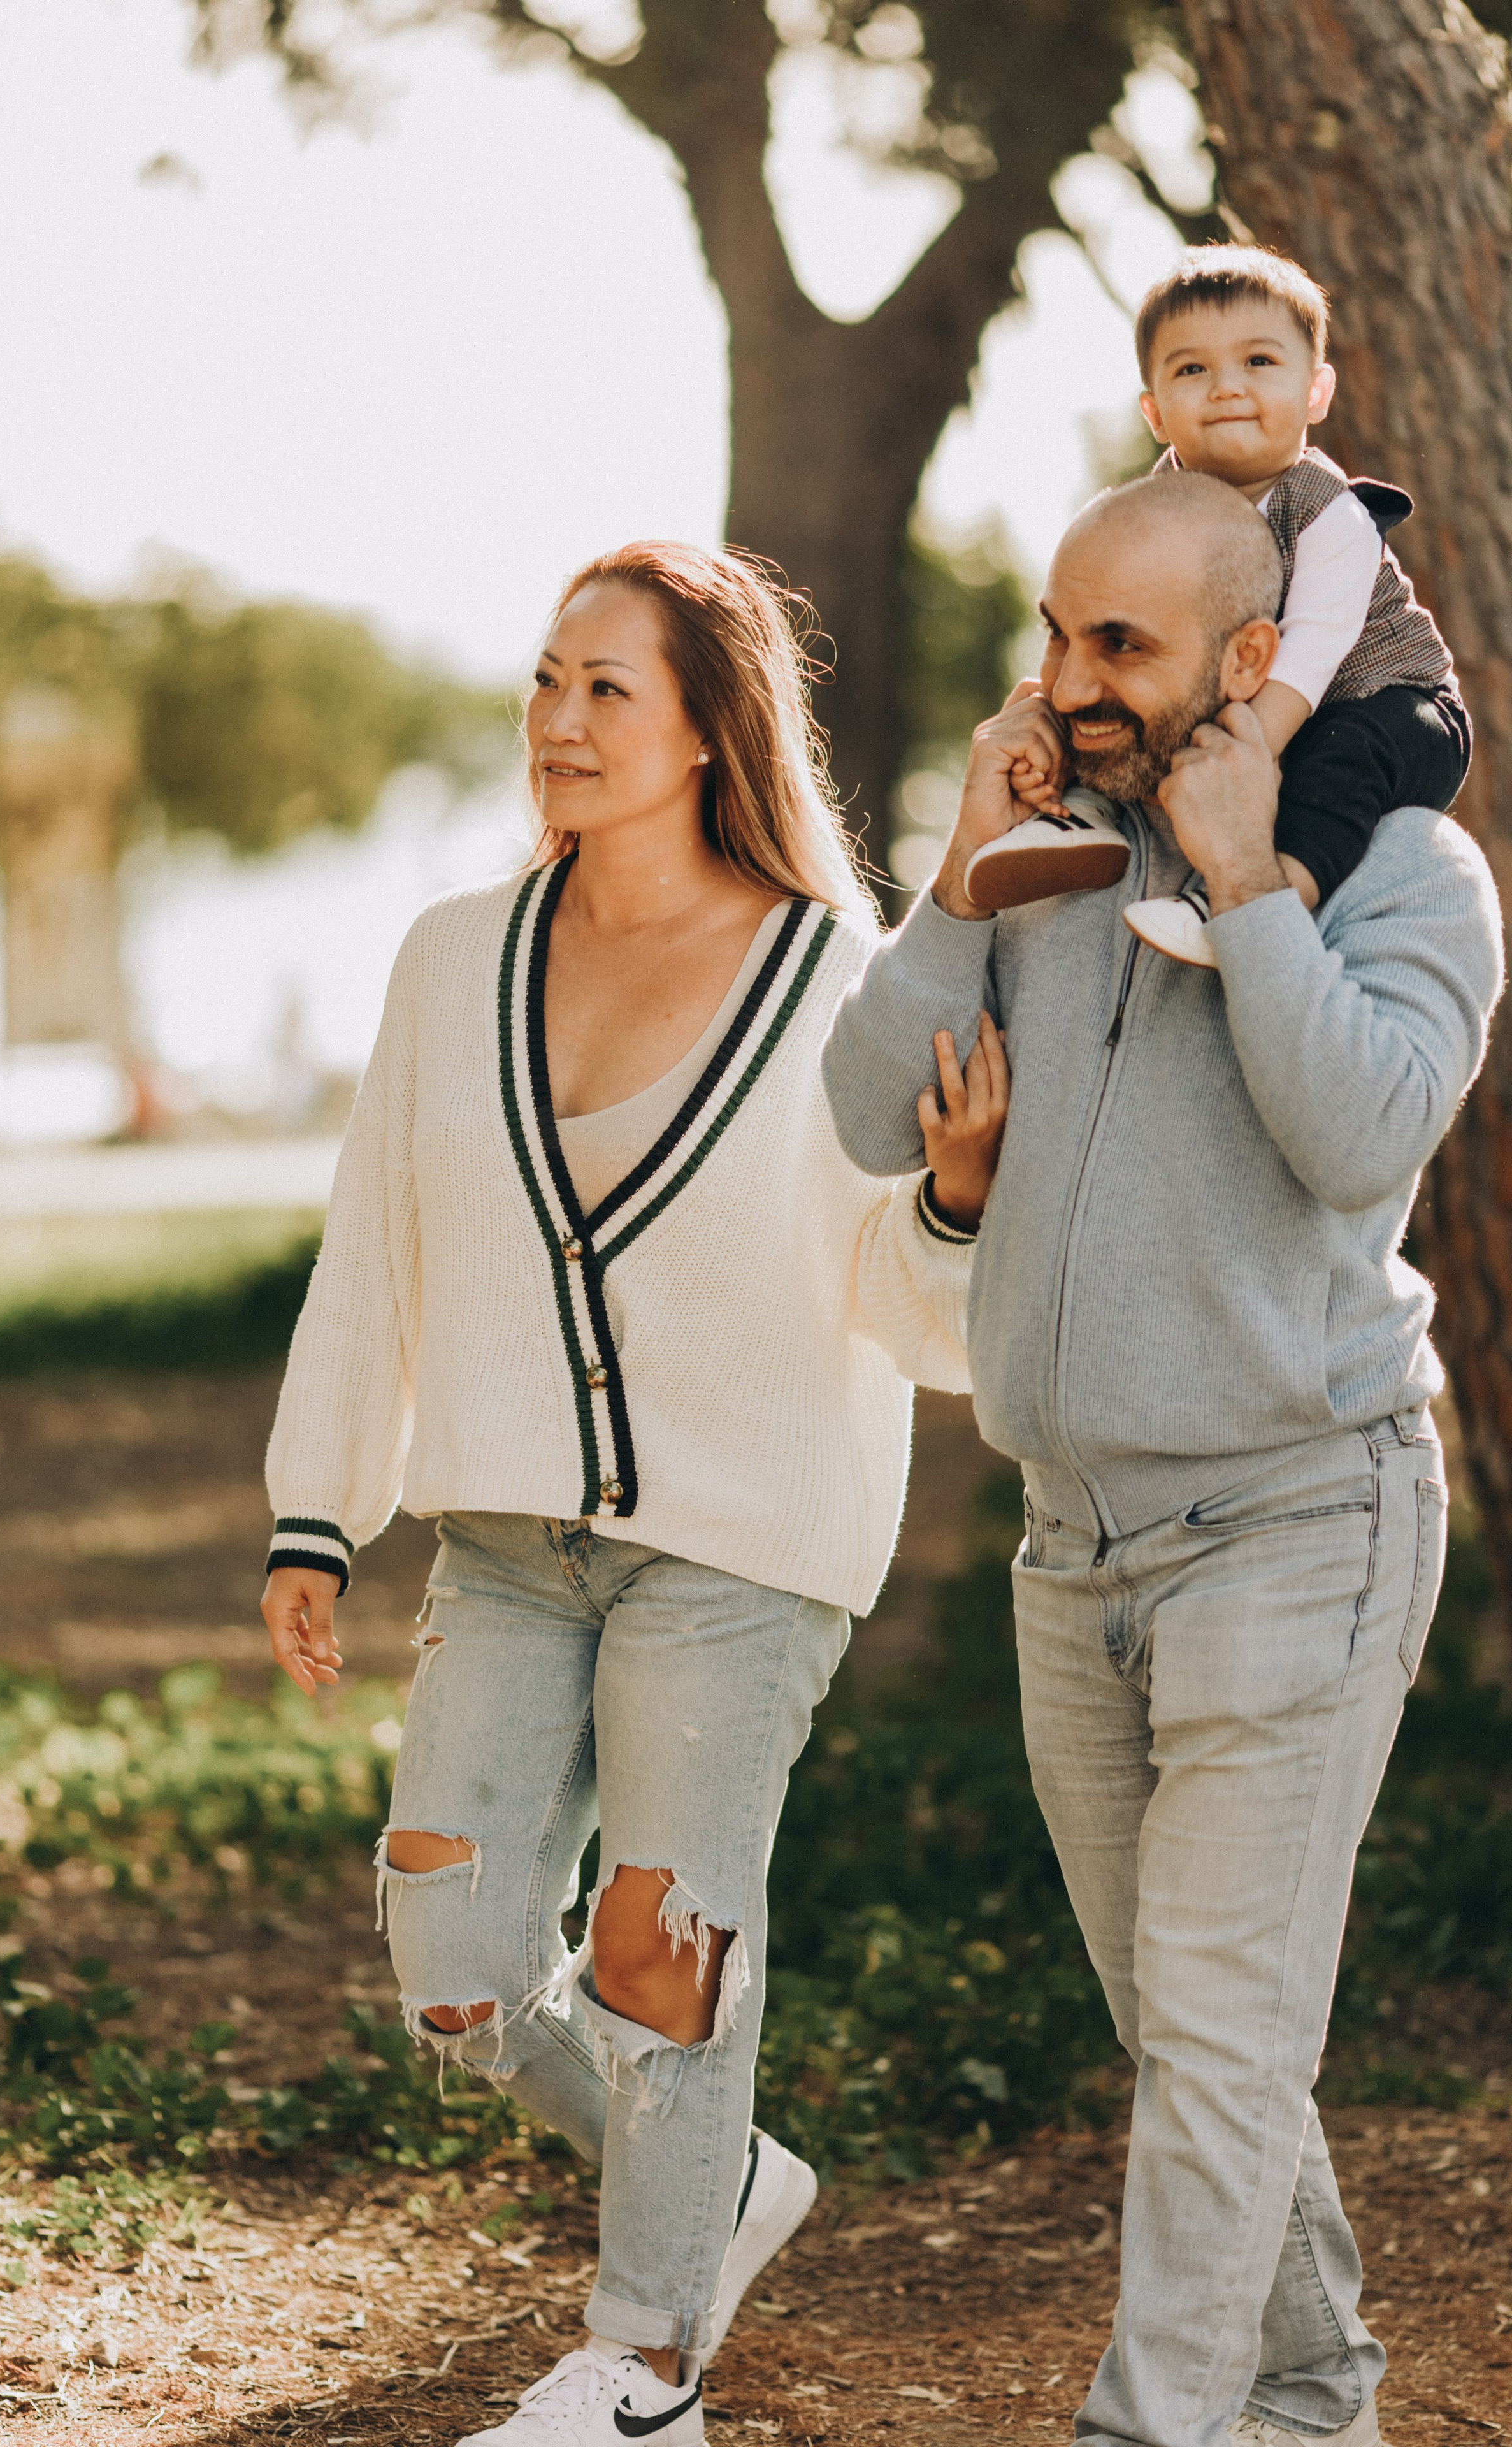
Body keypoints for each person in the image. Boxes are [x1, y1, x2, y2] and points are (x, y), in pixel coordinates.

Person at [258, 540, 1007, 2447]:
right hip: (504, 1541)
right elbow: (377, 1241)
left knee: (670, 1949)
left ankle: (644, 2355)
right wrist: (314, 1507)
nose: (560, 722)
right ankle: (723, 2169)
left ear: (703, 725)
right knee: (453, 1968)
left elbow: (914, 1317)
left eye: (607, 687)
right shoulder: (454, 956)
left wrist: (958, 1195)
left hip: (741, 1544)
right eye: (543, 680)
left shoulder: (828, 976)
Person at [821, 471, 1502, 2447]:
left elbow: (1364, 1132)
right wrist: (957, 872)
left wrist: (1249, 885)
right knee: (1192, 2043)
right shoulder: (1039, 859)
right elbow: (872, 1115)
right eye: (1052, 630)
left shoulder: (1406, 876)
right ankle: (1308, 2406)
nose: (1068, 680)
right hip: (1070, 1545)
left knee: (1212, 2044)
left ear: (1253, 657)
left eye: (1116, 642)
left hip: (1300, 1515)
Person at [970, 245, 1470, 971]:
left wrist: (1233, 767)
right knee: (1095, 691)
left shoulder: (1330, 515)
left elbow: (1308, 658)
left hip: (1381, 701)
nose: (1226, 388)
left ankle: (1253, 894)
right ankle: (1076, 818)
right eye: (1191, 369)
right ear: (1154, 412)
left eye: (1259, 363)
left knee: (1340, 763)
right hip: (1241, 700)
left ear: (1315, 392)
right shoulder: (1150, 514)